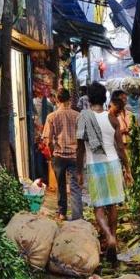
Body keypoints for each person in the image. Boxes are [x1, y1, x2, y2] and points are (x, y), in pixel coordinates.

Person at [76, 82, 133, 264]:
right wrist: (127, 169)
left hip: (95, 165)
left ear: (89, 99)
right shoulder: (112, 119)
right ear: (104, 98)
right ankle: (114, 236)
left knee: (98, 206)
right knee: (112, 204)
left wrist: (79, 171)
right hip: (113, 164)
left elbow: (80, 148)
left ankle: (108, 236)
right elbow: (120, 147)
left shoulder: (84, 118)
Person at [42, 88, 82, 221]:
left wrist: (51, 154)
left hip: (58, 156)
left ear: (57, 99)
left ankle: (62, 213)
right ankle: (77, 216)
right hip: (74, 155)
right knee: (75, 187)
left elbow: (47, 140)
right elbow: (82, 138)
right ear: (69, 99)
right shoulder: (78, 116)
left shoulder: (51, 117)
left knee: (60, 186)